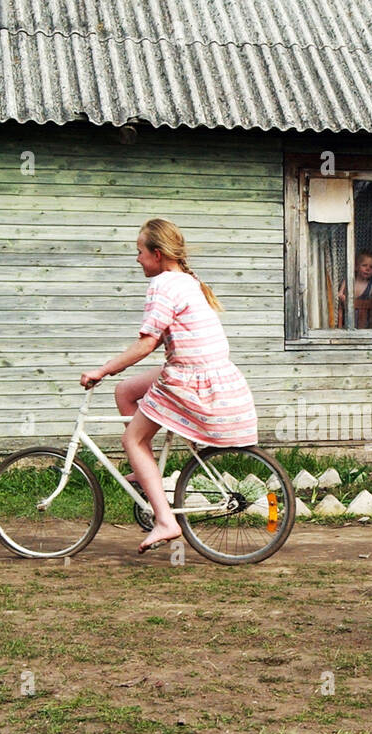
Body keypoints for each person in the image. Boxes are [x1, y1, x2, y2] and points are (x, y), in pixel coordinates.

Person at [80, 218, 258, 554]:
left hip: (190, 378)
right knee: (126, 392)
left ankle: (165, 520)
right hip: (201, 371)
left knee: (131, 437)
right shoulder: (187, 280)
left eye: (139, 253)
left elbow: (146, 344)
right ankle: (144, 468)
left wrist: (102, 370)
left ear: (157, 254)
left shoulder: (163, 285)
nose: (137, 260)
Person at [336, 251, 372, 328]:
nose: (368, 269)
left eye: (371, 267)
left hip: (365, 325)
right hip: (347, 323)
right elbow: (340, 294)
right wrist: (342, 296)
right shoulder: (349, 281)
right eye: (364, 265)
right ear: (356, 267)